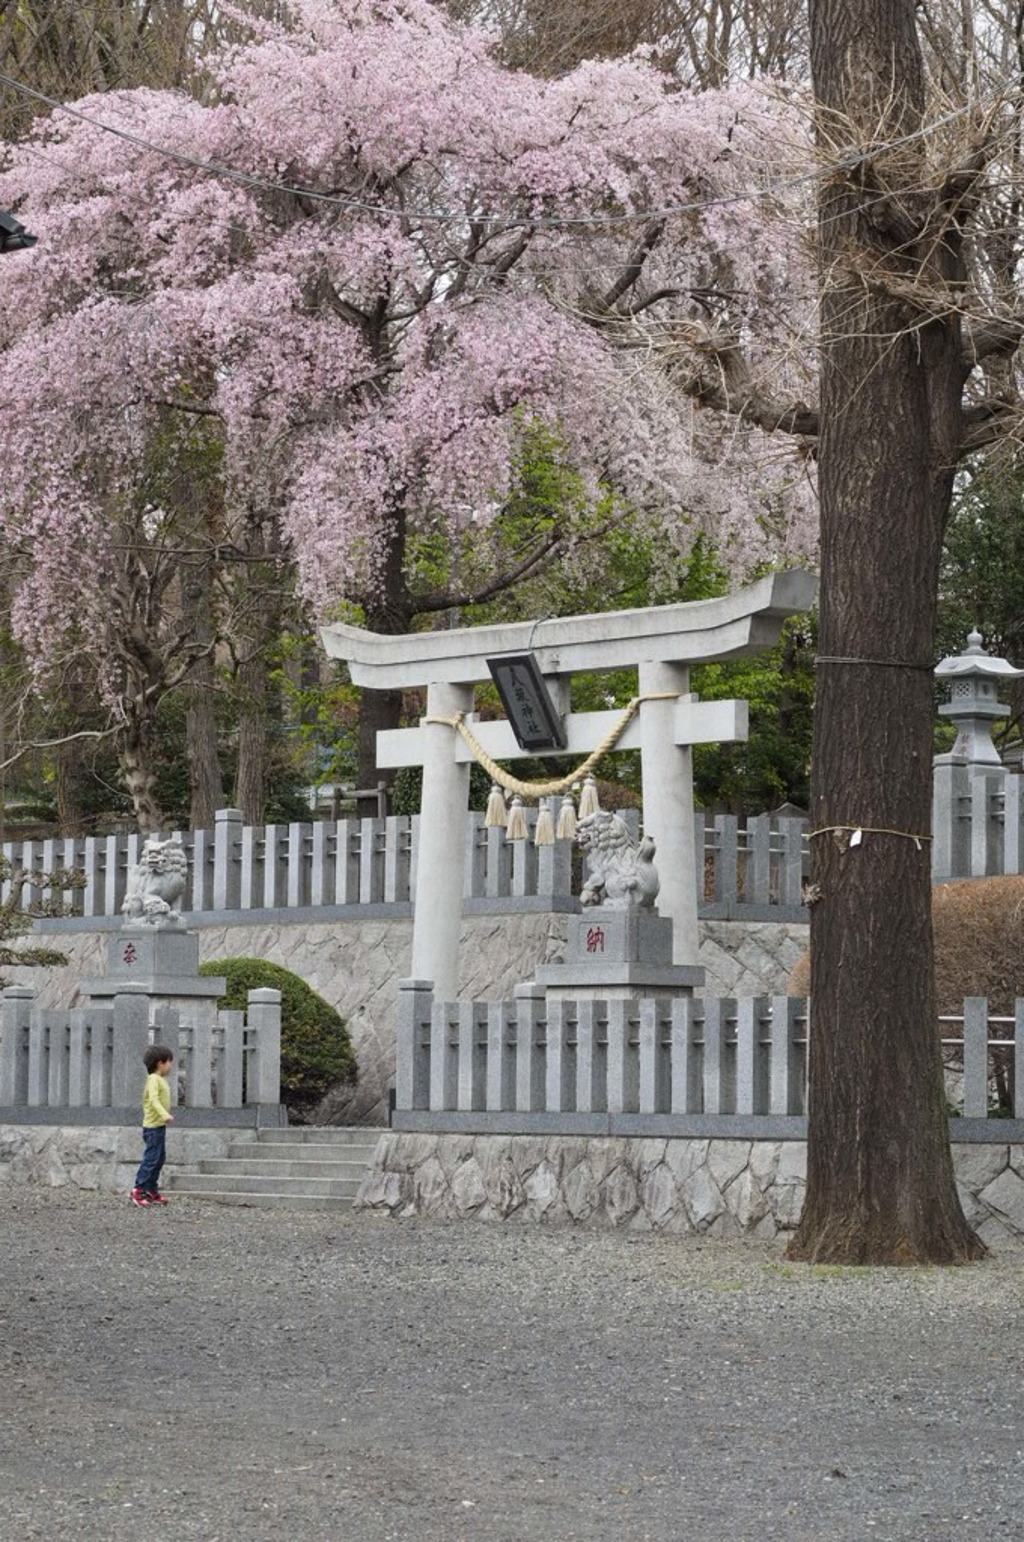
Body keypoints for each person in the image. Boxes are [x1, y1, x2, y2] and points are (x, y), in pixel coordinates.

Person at [130, 1045, 175, 1207]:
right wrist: (164, 1114)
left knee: (159, 1158)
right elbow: (154, 1100)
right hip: (153, 1127)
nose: (171, 1065)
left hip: (159, 1126)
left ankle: (150, 1189)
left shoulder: (160, 1080)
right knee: (151, 1159)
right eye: (169, 1062)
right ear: (160, 1063)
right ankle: (138, 1189)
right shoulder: (153, 1080)